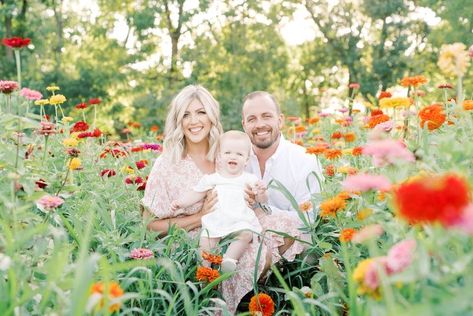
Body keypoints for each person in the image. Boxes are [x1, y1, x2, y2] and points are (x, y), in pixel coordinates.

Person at [142, 85, 305, 314]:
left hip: (236, 223)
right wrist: (199, 217)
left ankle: (256, 293)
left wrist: (253, 198)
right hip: (197, 238)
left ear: (211, 116)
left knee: (291, 226)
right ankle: (223, 303)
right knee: (249, 255)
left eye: (201, 112)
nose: (194, 121)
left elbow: (244, 191)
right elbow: (149, 226)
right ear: (178, 121)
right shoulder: (167, 163)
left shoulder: (226, 152)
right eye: (186, 114)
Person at [171, 131, 267, 273]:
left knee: (246, 234)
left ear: (246, 160)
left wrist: (262, 192)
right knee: (206, 241)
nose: (233, 156)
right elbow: (197, 193)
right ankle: (204, 269)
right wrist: (181, 203)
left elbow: (262, 200)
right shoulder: (213, 178)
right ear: (220, 157)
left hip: (239, 220)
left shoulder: (249, 179)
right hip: (217, 220)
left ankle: (229, 260)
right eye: (228, 152)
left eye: (239, 154)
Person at [241, 91, 324, 218]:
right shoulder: (235, 162)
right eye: (252, 119)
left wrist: (262, 212)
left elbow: (308, 220)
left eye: (266, 116)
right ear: (244, 125)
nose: (260, 124)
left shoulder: (306, 161)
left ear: (280, 121)